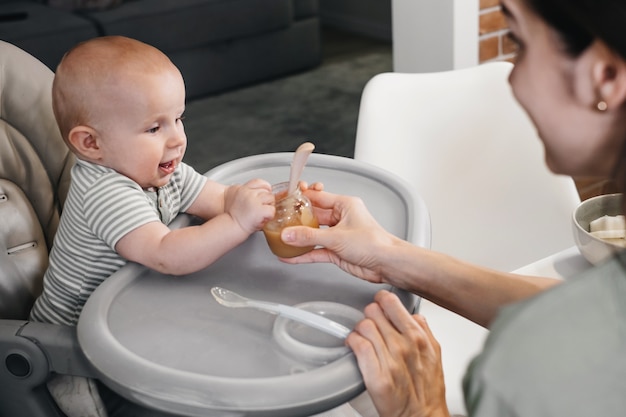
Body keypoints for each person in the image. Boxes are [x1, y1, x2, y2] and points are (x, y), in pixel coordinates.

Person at [280, 0, 626, 416]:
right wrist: (390, 255)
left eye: (519, 42)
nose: (512, 81)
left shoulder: (520, 372)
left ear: (605, 77)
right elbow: (584, 314)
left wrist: (423, 410)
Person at [29, 36, 275, 417]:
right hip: (74, 341)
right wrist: (238, 221)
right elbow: (167, 255)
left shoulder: (160, 173)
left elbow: (220, 199)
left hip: (132, 306)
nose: (177, 138)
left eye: (178, 118)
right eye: (153, 128)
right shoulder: (104, 191)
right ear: (91, 143)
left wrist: (261, 200)